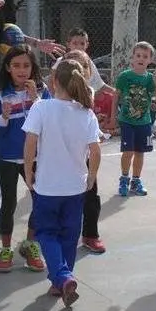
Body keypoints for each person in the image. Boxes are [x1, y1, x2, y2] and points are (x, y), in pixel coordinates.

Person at [22, 59, 101, 307]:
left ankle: (62, 276)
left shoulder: (41, 108)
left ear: (54, 81)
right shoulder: (86, 113)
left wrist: (28, 171)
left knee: (46, 233)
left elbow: (30, 144)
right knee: (69, 235)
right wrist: (91, 176)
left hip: (48, 186)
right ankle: (61, 281)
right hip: (75, 187)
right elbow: (95, 150)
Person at [0, 44, 48, 273]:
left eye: (26, 65)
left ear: (33, 68)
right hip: (7, 157)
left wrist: (35, 101)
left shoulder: (42, 91)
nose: (22, 70)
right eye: (16, 66)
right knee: (9, 204)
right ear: (7, 68)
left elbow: (45, 125)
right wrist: (3, 116)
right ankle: (5, 249)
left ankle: (30, 244)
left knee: (40, 200)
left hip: (33, 158)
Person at [62, 49, 111, 253]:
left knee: (91, 195)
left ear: (88, 72)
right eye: (73, 64)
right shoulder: (55, 93)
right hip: (62, 156)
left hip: (85, 155)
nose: (78, 69)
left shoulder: (88, 93)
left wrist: (97, 130)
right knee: (62, 198)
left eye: (82, 66)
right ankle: (58, 235)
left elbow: (86, 118)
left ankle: (90, 235)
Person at [115, 41, 156, 197]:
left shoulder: (150, 78)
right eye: (138, 55)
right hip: (127, 120)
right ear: (132, 58)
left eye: (145, 56)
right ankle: (124, 178)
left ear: (150, 60)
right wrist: (112, 117)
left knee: (140, 152)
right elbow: (116, 97)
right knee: (128, 151)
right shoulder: (124, 76)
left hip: (144, 121)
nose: (141, 59)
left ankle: (136, 181)